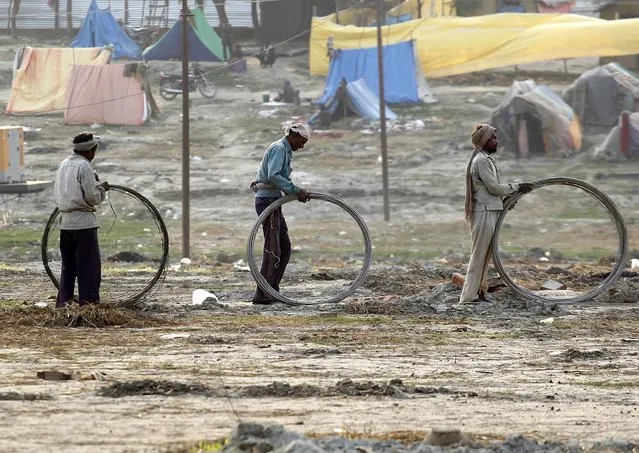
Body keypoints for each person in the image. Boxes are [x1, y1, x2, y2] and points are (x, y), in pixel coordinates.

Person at [458, 123, 533, 304]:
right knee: (479, 254)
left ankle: (480, 292)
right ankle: (468, 296)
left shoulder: (484, 159)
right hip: (483, 212)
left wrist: (506, 200)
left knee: (486, 254)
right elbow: (493, 188)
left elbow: (490, 190)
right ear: (484, 141)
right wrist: (517, 187)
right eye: (493, 138)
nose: (496, 141)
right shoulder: (481, 161)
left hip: (490, 210)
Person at [249, 123, 312, 305]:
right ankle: (263, 293)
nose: (302, 146)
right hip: (267, 201)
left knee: (284, 247)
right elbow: (274, 176)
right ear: (294, 135)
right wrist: (295, 190)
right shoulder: (278, 148)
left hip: (273, 200)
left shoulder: (286, 150)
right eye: (302, 141)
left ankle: (272, 289)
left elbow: (280, 178)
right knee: (273, 249)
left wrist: (294, 191)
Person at [53, 132, 110, 308]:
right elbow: (92, 198)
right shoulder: (84, 166)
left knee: (68, 268)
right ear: (90, 151)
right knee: (88, 268)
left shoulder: (63, 164)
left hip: (66, 224)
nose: (95, 153)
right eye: (94, 150)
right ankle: (88, 307)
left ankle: (64, 306)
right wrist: (102, 189)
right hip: (84, 224)